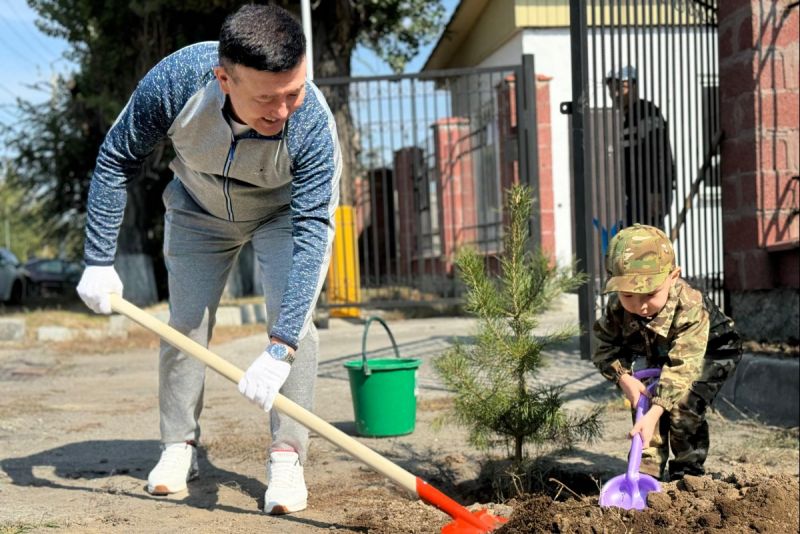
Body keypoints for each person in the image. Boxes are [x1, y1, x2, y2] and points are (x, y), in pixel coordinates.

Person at [76, 4, 341, 515]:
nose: (284, 110)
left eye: (295, 91)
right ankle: (179, 447)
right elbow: (115, 160)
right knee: (185, 324)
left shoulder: (312, 124)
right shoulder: (177, 82)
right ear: (224, 79)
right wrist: (97, 258)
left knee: (297, 324)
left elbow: (314, 235)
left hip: (281, 215)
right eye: (267, 98)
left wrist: (280, 346)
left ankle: (287, 456)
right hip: (198, 207)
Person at [592, 224, 741, 480]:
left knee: (683, 405)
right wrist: (623, 377)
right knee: (643, 400)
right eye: (629, 295)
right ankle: (645, 472)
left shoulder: (690, 306)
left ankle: (688, 475)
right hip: (661, 351)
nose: (640, 305)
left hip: (711, 351)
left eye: (650, 293)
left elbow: (684, 366)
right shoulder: (617, 307)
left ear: (673, 277)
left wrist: (659, 409)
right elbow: (604, 347)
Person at [606, 66, 675, 230]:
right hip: (637, 196)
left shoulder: (646, 113)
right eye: (611, 90)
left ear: (634, 87)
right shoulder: (629, 118)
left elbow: (659, 152)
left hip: (649, 196)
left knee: (647, 247)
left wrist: (656, 191)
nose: (614, 95)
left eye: (619, 88)